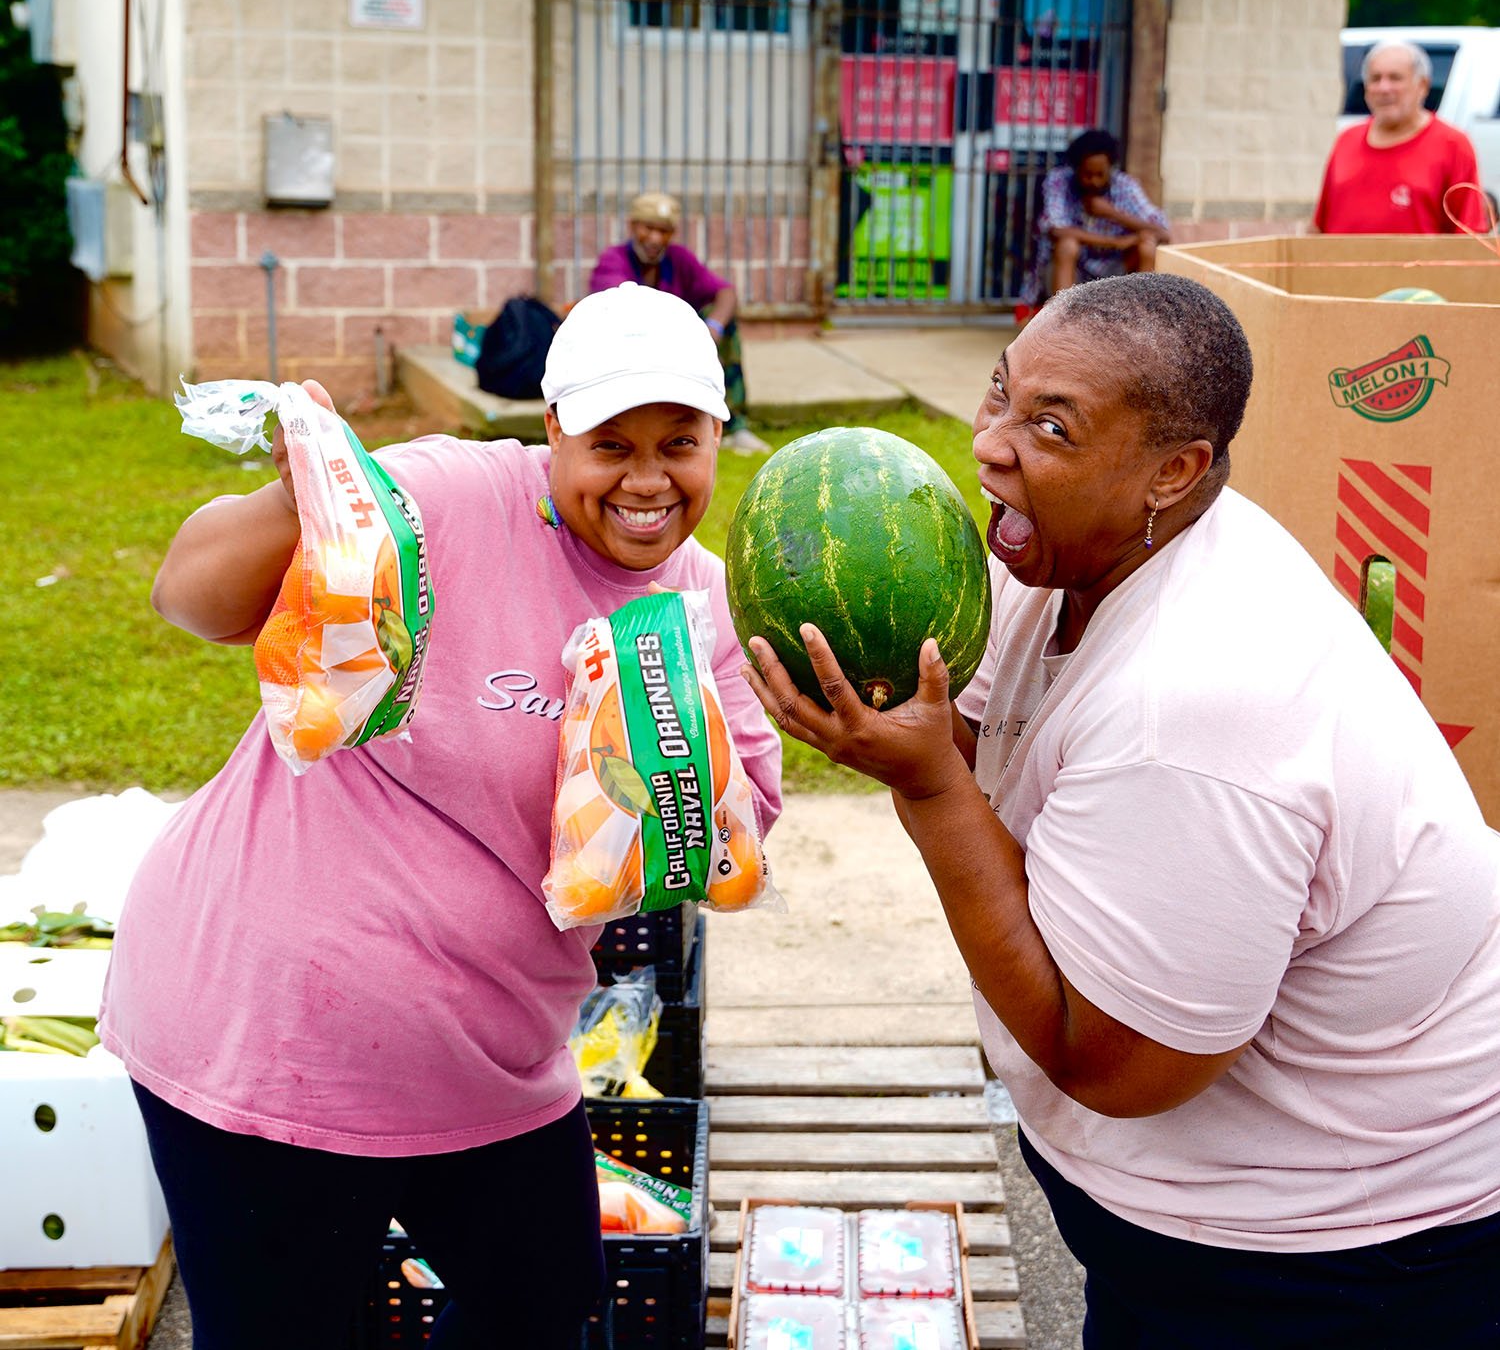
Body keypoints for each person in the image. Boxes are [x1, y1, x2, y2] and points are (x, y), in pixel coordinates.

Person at [742, 273, 1500, 1347]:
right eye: (1000, 393)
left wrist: (926, 784)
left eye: (1051, 428)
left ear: (1173, 470)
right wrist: (907, 726)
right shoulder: (1077, 550)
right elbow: (1003, 741)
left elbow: (1113, 1064)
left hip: (1341, 1260)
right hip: (1200, 1227)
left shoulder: (1195, 709)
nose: (991, 446)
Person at [98, 282, 783, 1350]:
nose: (648, 480)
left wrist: (655, 753)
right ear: (551, 429)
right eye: (611, 444)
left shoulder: (699, 609)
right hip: (268, 1035)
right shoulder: (446, 497)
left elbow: (737, 837)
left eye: (679, 444)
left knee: (545, 1312)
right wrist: (300, 499)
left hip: (493, 1059)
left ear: (716, 438)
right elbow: (189, 596)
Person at [590, 190, 771, 454]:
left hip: (674, 345)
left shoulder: (677, 259)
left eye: (663, 231)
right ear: (633, 226)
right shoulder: (613, 261)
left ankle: (732, 425)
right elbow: (625, 310)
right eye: (648, 228)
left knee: (722, 319)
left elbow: (726, 293)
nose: (655, 238)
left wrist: (712, 329)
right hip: (628, 350)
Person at [1315, 40, 1486, 235]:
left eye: (1395, 78)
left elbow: (1469, 237)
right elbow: (1319, 228)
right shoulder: (1346, 141)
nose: (1384, 88)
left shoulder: (1452, 145)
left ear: (1422, 85)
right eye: (1375, 79)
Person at [1018, 129, 1170, 315]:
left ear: (1110, 169)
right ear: (1075, 169)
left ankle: (1139, 316)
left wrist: (1112, 213)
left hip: (1115, 271)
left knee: (1147, 245)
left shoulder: (1125, 185)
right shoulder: (1060, 180)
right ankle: (1062, 318)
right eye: (1087, 174)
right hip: (1074, 271)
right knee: (1067, 244)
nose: (1094, 181)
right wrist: (1115, 242)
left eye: (1100, 174)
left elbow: (1163, 232)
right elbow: (1056, 229)